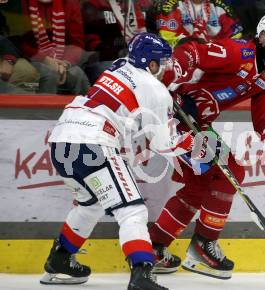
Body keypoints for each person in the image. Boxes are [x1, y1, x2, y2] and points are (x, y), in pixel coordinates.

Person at [148, 12, 265, 279]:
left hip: (195, 123)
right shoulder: (237, 52)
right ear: (263, 37)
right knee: (227, 173)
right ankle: (202, 245)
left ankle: (156, 247)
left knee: (205, 181)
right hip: (169, 115)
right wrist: (173, 74)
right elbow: (192, 51)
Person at [39, 32, 192, 290]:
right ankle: (142, 274)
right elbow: (163, 144)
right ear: (151, 64)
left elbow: (131, 97)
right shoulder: (156, 89)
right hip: (94, 142)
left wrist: (164, 105)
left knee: (91, 204)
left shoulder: (118, 66)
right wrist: (194, 145)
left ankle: (60, 259)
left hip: (61, 138)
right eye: (162, 63)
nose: (165, 68)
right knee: (132, 210)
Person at [18, 0, 90, 95]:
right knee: (49, 75)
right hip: (31, 58)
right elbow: (20, 42)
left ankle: (83, 108)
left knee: (77, 74)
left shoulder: (70, 3)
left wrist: (64, 64)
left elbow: (76, 43)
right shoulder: (21, 3)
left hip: (64, 60)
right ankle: (43, 109)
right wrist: (45, 60)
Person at [81, 0, 154, 83]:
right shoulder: (93, 4)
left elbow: (153, 30)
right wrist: (117, 51)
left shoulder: (143, 4)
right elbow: (90, 43)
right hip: (107, 60)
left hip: (139, 57)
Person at [156, 0, 243, 48]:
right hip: (183, 57)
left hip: (217, 58)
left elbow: (235, 36)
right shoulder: (171, 6)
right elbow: (167, 39)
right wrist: (189, 44)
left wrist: (219, 48)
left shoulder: (220, 6)